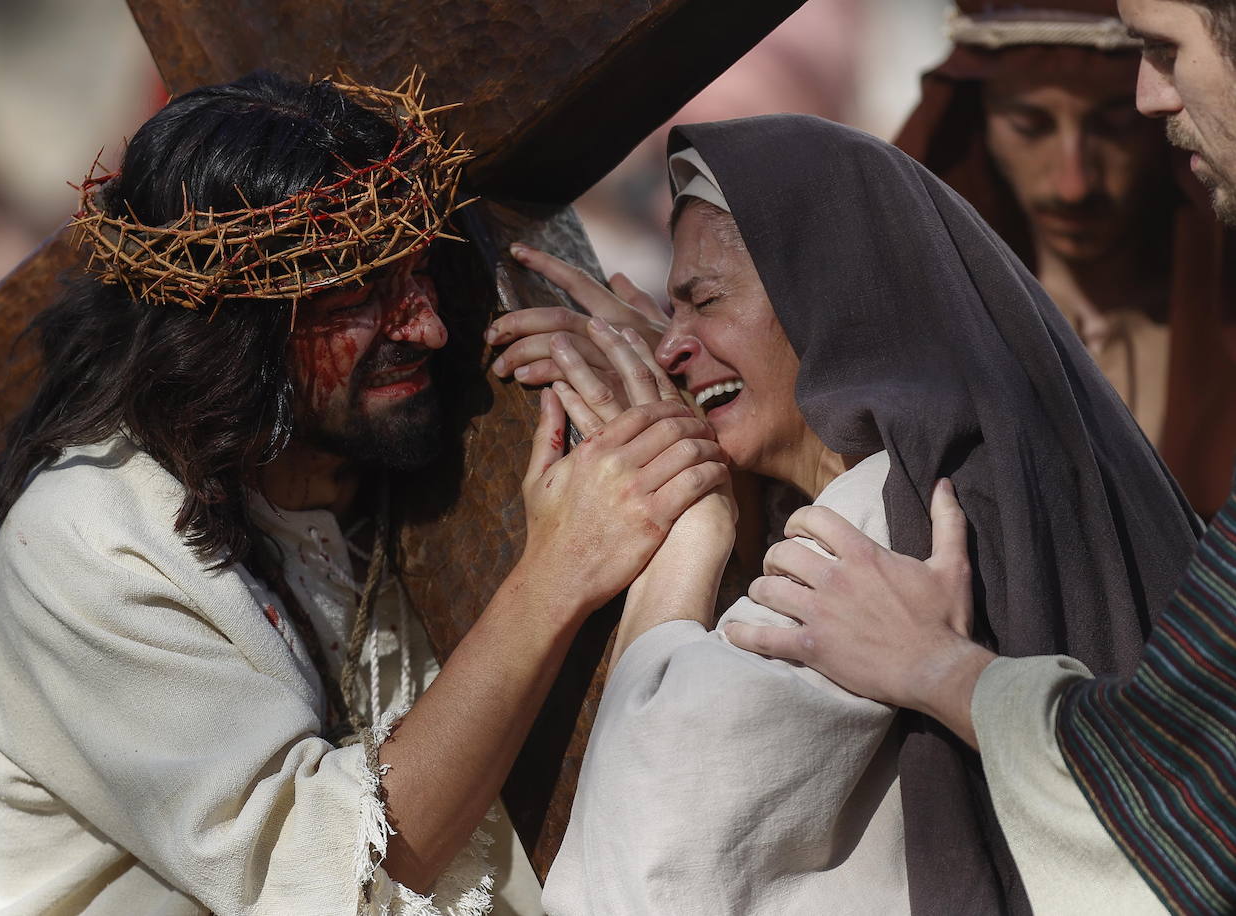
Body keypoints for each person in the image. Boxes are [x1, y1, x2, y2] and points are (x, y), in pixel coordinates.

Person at [0, 71, 726, 916]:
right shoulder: (83, 543)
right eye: (358, 294)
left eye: (417, 277)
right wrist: (559, 570)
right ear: (229, 327)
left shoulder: (366, 453)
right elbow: (323, 882)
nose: (428, 328)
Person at [487, 113, 1200, 914]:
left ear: (823, 297)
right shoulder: (973, 473)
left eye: (705, 301)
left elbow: (652, 841)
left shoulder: (883, 525)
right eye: (669, 314)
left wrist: (688, 523)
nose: (668, 350)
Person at [735, 5, 1236, 912]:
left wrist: (938, 671)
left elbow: (1195, 779)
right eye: (1030, 124)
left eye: (1168, 51)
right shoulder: (913, 363)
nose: (1074, 180)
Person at [897, 0, 1236, 519]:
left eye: (1114, 126)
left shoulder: (1222, 336)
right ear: (978, 125)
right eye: (1030, 126)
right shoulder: (922, 341)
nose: (1073, 184)